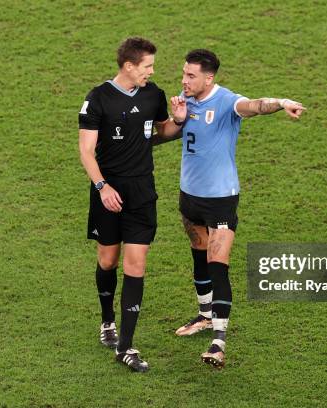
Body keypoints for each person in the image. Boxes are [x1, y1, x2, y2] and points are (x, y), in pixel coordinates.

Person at [172, 49, 306, 368]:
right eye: (183, 74)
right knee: (198, 257)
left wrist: (282, 102)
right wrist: (177, 119)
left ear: (209, 78)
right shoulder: (184, 99)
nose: (184, 80)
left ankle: (218, 343)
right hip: (189, 196)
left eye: (190, 76)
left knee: (217, 265)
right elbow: (177, 130)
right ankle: (205, 316)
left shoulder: (226, 102)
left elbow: (256, 106)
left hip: (220, 198)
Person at [78, 37, 186, 372]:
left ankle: (126, 347)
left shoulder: (153, 95)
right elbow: (86, 151)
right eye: (147, 66)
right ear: (129, 66)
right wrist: (102, 187)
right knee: (108, 260)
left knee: (136, 265)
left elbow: (158, 133)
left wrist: (178, 122)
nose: (151, 72)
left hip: (142, 193)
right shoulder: (97, 98)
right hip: (108, 192)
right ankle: (107, 321)